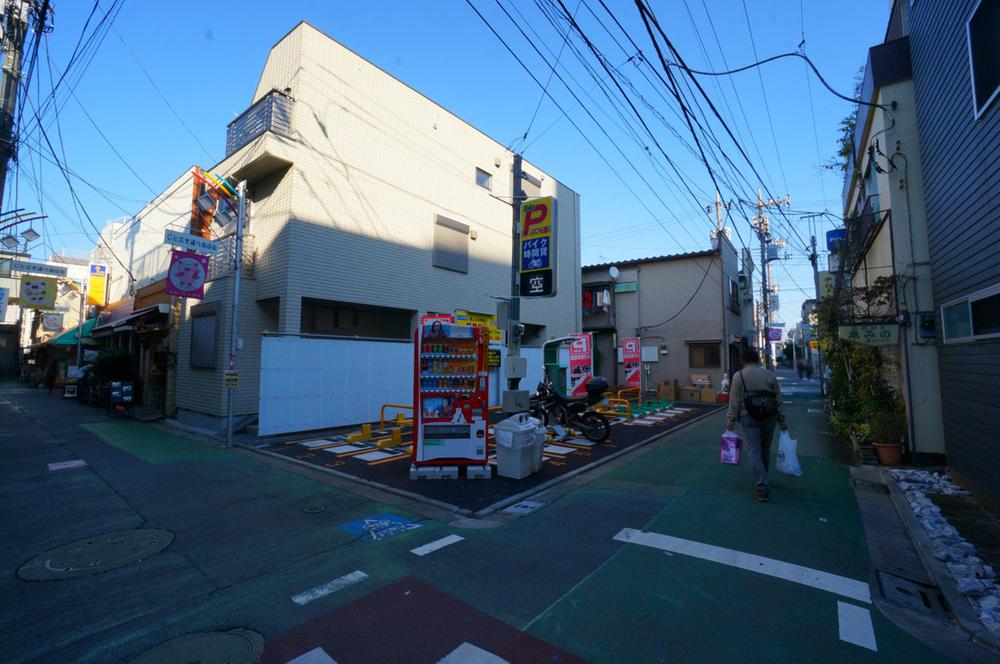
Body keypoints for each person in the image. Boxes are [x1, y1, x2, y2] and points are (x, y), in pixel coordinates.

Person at [726, 348, 787, 502]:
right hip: (769, 417)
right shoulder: (770, 375)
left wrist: (731, 419)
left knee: (754, 450)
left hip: (748, 417)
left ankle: (761, 486)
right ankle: (763, 478)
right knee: (765, 449)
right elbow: (777, 399)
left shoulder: (739, 376)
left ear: (743, 360)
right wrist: (781, 419)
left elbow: (734, 400)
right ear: (758, 359)